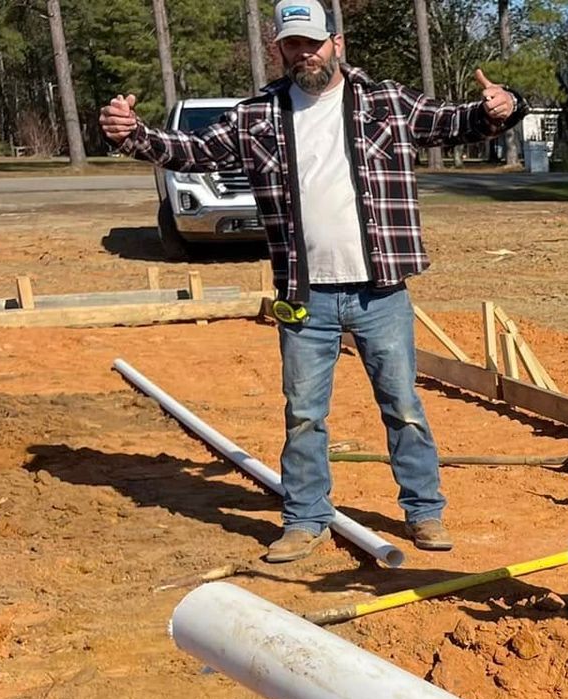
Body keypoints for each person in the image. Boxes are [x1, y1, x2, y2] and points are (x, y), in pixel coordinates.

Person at [98, 0, 526, 563]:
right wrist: (133, 135)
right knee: (304, 413)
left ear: (337, 43)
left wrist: (505, 106)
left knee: (402, 405)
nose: (303, 54)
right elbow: (193, 151)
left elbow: (457, 122)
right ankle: (304, 519)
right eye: (292, 45)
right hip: (305, 294)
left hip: (381, 290)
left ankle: (424, 512)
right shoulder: (258, 115)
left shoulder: (385, 102)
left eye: (313, 43)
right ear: (279, 49)